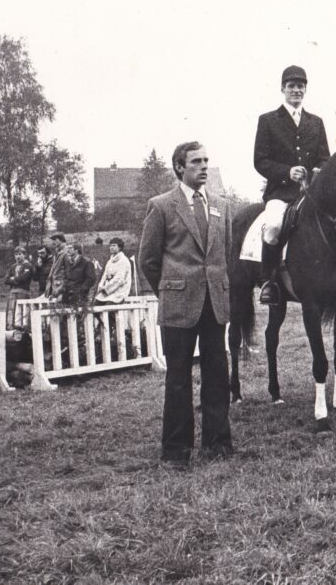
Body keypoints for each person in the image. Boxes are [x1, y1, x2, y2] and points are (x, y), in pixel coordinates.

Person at [138, 141, 234, 467]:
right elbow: (148, 260)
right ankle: (177, 450)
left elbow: (227, 256)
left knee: (217, 374)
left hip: (214, 303)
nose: (204, 166)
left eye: (207, 160)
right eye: (196, 161)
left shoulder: (222, 205)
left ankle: (218, 443)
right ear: (180, 167)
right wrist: (169, 290)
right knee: (178, 378)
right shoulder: (162, 205)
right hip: (179, 304)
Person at [253, 65, 331, 305]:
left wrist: (319, 171)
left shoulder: (315, 122)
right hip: (281, 193)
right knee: (274, 227)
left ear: (305, 89)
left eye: (300, 86)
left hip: (311, 194)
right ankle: (270, 282)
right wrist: (287, 172)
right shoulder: (268, 120)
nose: (296, 90)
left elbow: (325, 157)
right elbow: (260, 160)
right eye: (291, 86)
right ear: (282, 89)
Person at [4, 246, 34, 329]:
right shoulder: (13, 266)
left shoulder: (28, 266)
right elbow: (6, 280)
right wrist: (14, 279)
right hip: (12, 292)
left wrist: (13, 279)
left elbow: (23, 279)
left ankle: (23, 327)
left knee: (22, 310)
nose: (18, 256)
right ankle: (10, 326)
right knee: (11, 309)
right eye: (16, 254)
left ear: (24, 255)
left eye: (20, 254)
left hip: (23, 291)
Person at [58, 243, 97, 308]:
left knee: (79, 316)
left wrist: (82, 290)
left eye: (70, 248)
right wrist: (63, 288)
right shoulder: (68, 262)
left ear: (77, 250)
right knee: (65, 315)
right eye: (67, 248)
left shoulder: (86, 262)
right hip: (67, 294)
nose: (68, 250)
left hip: (80, 296)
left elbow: (91, 279)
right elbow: (66, 277)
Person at [95, 237, 132, 305]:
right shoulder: (110, 261)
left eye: (114, 245)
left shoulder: (123, 261)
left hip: (120, 291)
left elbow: (119, 279)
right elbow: (104, 275)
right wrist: (100, 286)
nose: (111, 247)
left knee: (108, 307)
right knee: (95, 305)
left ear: (119, 247)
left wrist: (105, 289)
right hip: (107, 291)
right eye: (110, 246)